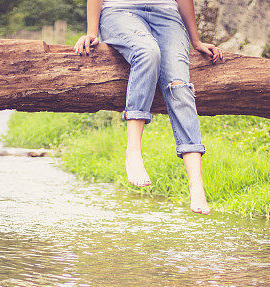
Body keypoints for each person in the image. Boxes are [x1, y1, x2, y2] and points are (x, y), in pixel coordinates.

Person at [73, 0, 223, 214]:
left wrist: (196, 41)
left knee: (179, 87)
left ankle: (196, 185)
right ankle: (133, 152)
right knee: (147, 52)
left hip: (167, 15)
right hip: (119, 12)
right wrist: (91, 32)